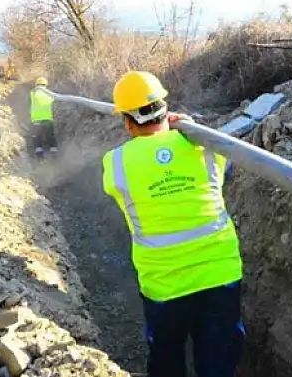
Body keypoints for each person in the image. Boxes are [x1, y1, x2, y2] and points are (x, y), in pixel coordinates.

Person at [102, 70, 244, 377]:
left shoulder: (115, 164)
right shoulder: (205, 147)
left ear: (126, 120)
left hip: (163, 285)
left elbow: (118, 189)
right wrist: (189, 129)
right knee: (218, 362)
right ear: (166, 109)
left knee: (166, 360)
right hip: (220, 275)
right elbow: (228, 170)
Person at [29, 76, 57, 159]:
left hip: (36, 121)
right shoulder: (50, 94)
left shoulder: (33, 93)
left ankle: (39, 156)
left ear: (36, 85)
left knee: (37, 138)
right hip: (48, 120)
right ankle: (54, 154)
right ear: (46, 85)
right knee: (50, 136)